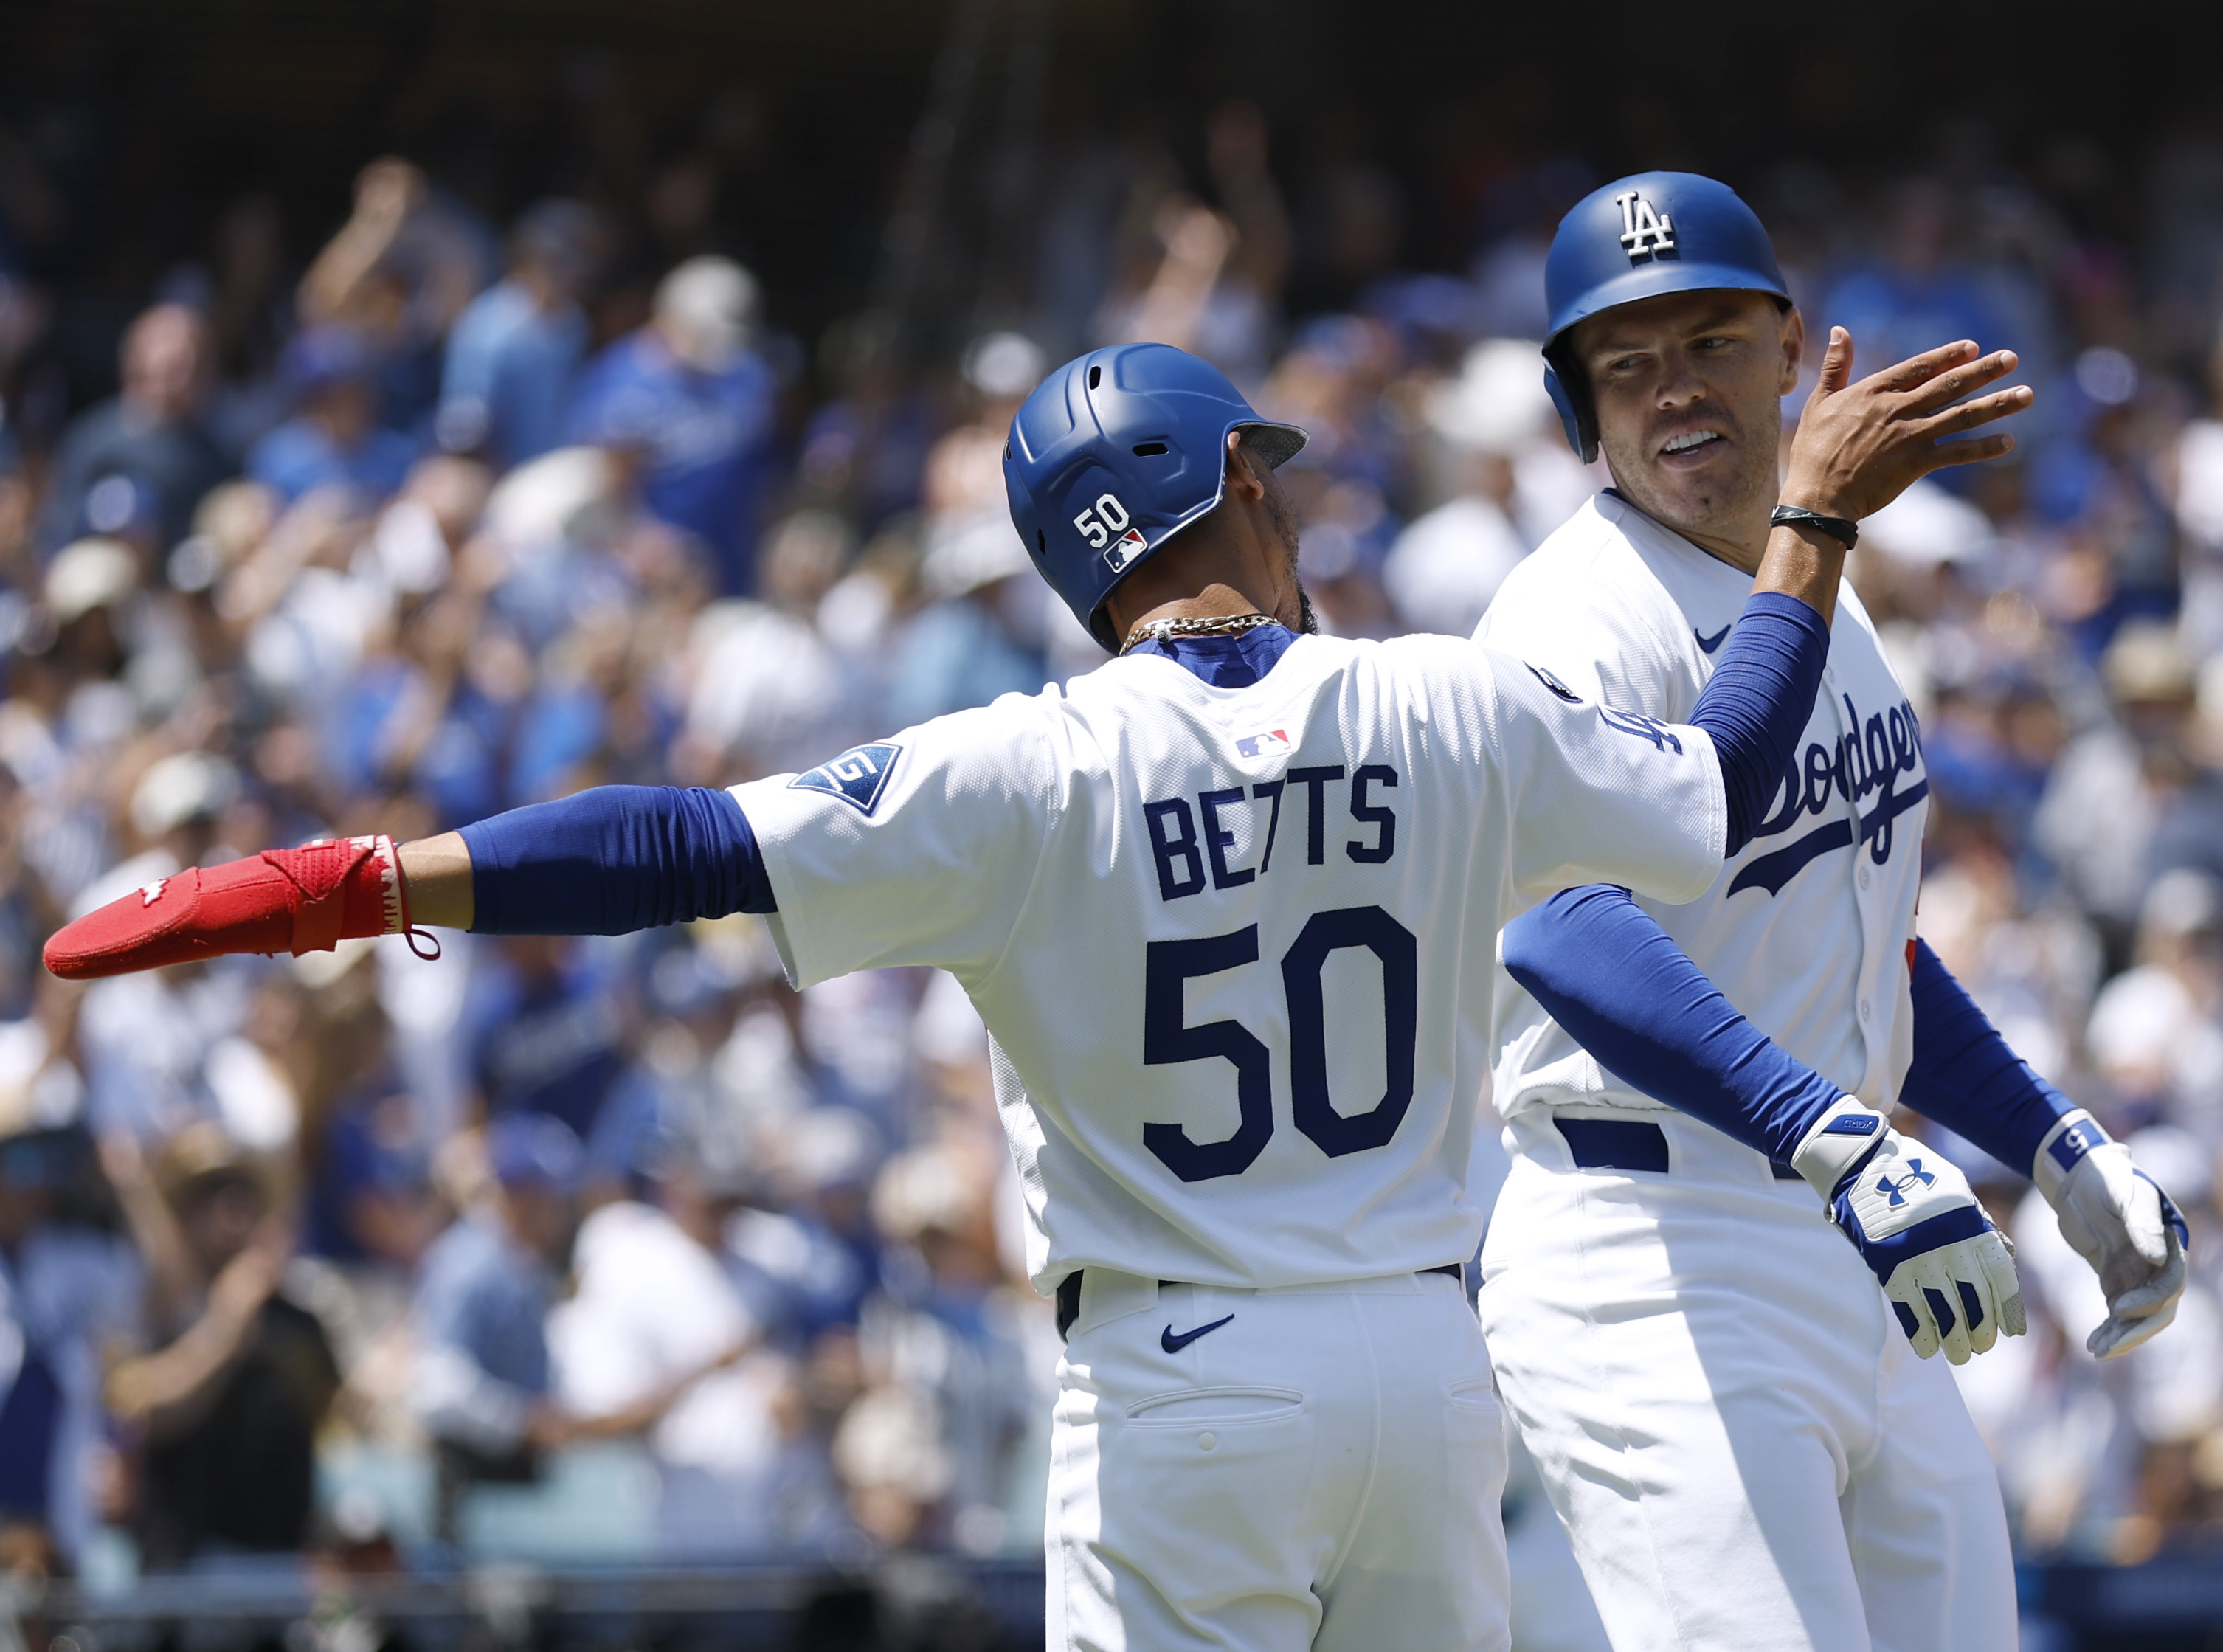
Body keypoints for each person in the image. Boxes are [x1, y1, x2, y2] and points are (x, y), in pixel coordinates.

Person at [42, 333, 2019, 1649]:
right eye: (1277, 473)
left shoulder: (1015, 767)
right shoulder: (1435, 694)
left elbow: (670, 846)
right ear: (1235, 480)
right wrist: (1808, 525)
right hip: (1422, 1374)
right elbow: (1726, 781)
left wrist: (354, 877)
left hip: (1182, 1377)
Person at [1467, 173, 2187, 1652]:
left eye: (1711, 342)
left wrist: (2051, 1137)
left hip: (1846, 1227)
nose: (1676, 392)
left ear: (1790, 346)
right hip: (1649, 1251)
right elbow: (1559, 926)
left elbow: (1854, 941)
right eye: (1627, 365)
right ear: (1574, 408)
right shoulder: (1564, 621)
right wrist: (1840, 1133)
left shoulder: (1825, 591)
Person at [104, 1127, 339, 1570]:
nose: (229, 1212)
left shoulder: (296, 1317)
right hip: (183, 1567)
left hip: (279, 1562)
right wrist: (226, 1328)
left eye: (241, 1195)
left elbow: (332, 1408)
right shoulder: (150, 1317)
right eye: (208, 1197)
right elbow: (141, 1414)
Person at [564, 256, 781, 595]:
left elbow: (759, 466)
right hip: (653, 563)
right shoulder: (627, 380)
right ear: (669, 320)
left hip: (730, 552)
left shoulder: (748, 375)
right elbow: (610, 483)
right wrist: (638, 538)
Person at [35, 303, 232, 556]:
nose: (175, 383)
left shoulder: (217, 454)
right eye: (165, 371)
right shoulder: (90, 440)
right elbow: (58, 530)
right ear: (132, 370)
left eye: (187, 370)